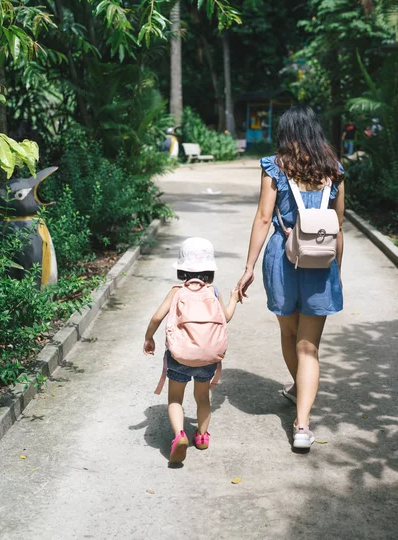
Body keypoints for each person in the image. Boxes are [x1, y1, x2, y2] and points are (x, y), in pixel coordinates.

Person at [236, 105, 345, 449]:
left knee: (288, 332)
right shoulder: (334, 171)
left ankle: (299, 388)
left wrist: (249, 267)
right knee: (308, 347)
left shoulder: (275, 167)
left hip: (282, 259)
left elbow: (263, 219)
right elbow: (338, 226)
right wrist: (335, 271)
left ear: (285, 133)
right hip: (320, 263)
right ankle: (302, 426)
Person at [143, 237, 239, 463]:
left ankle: (179, 435)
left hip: (180, 356)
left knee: (175, 398)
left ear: (182, 269)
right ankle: (202, 436)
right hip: (208, 358)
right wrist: (234, 298)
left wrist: (149, 338)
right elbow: (225, 317)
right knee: (203, 398)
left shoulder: (176, 291)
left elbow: (157, 317)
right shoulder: (214, 292)